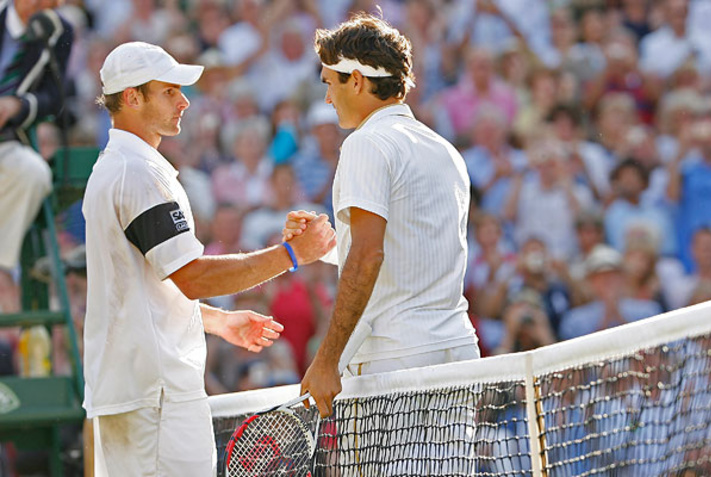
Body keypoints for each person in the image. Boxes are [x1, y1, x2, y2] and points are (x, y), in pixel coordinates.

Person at [83, 41, 336, 477]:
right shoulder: (138, 173)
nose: (184, 101)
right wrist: (293, 254)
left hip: (142, 393)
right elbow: (193, 277)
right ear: (131, 97)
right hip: (155, 395)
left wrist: (217, 322)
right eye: (169, 92)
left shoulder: (121, 167)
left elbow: (150, 289)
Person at [285, 13, 480, 418]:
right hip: (459, 354)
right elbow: (401, 251)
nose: (326, 98)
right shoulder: (444, 149)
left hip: (394, 360)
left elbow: (369, 257)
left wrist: (327, 359)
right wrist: (324, 248)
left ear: (355, 81)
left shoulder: (366, 144)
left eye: (329, 83)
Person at [0, 0, 74, 313]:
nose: (55, 4)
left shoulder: (59, 30)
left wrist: (18, 106)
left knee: (34, 172)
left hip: (6, 136)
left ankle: (2, 267)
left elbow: (54, 98)